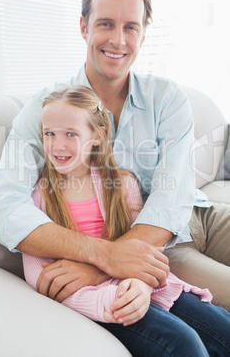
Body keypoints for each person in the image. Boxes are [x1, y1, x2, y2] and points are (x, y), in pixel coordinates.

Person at [0, 0, 230, 317]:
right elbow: (6, 209)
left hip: (200, 211)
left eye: (130, 27)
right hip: (161, 242)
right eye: (105, 24)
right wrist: (105, 254)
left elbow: (174, 195)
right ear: (84, 27)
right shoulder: (45, 110)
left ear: (143, 35)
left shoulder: (167, 97)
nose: (118, 40)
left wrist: (101, 264)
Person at [22, 86, 230, 356]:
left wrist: (141, 284)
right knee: (183, 343)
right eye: (49, 133)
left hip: (139, 285)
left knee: (222, 327)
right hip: (98, 302)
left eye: (71, 134)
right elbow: (41, 277)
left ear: (97, 136)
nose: (57, 144)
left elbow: (145, 251)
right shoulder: (39, 197)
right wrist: (111, 297)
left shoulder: (122, 183)